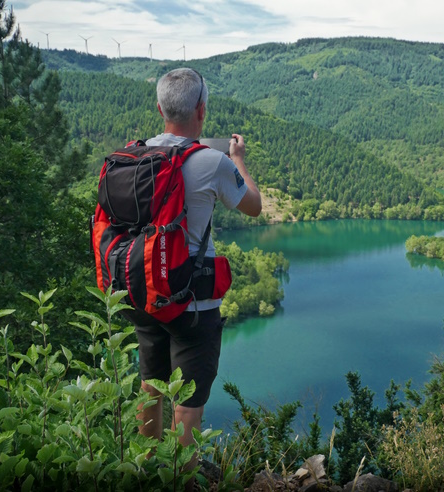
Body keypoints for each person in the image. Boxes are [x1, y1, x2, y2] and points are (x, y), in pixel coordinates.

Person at [126, 67, 261, 485]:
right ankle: (179, 481)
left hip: (145, 294)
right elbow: (254, 206)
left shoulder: (135, 156)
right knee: (186, 404)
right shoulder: (213, 162)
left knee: (150, 385)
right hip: (193, 303)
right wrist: (238, 160)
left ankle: (146, 471)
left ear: (160, 108)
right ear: (201, 110)